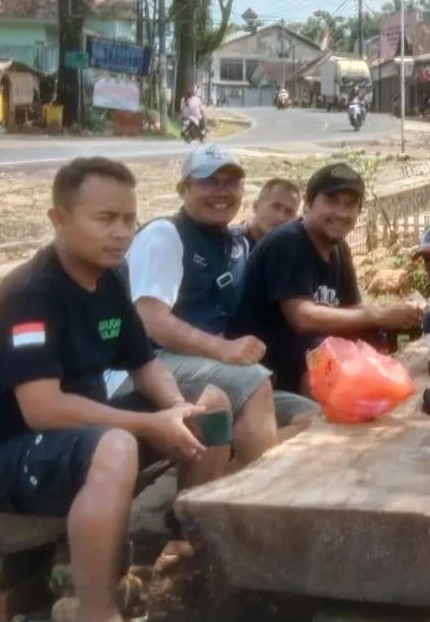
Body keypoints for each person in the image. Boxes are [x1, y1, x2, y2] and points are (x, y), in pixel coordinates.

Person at [0, 157, 224, 622]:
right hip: (7, 456)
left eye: (128, 219)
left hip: (75, 440)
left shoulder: (107, 281)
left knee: (208, 406)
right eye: (105, 218)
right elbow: (42, 408)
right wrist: (146, 426)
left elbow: (143, 362)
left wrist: (172, 410)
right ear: (59, 219)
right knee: (118, 444)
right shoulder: (31, 295)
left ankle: (188, 563)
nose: (121, 233)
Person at [118, 147, 314, 452]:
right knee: (253, 382)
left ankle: (230, 480)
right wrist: (224, 349)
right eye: (208, 181)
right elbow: (151, 320)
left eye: (230, 182)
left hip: (209, 366)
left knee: (310, 416)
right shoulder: (164, 235)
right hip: (149, 363)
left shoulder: (236, 245)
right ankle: (244, 494)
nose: (221, 191)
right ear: (183, 189)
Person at [236, 163, 425, 393]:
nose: (342, 213)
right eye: (331, 201)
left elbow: (351, 308)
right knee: (323, 349)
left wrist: (397, 312)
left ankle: (384, 393)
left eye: (350, 205)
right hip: (268, 365)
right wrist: (380, 313)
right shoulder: (286, 243)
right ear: (308, 205)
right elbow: (303, 318)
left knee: (371, 332)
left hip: (308, 355)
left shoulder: (339, 249)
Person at [238, 177, 301, 248]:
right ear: (256, 206)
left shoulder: (294, 250)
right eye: (276, 207)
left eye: (289, 212)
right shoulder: (232, 245)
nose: (281, 217)